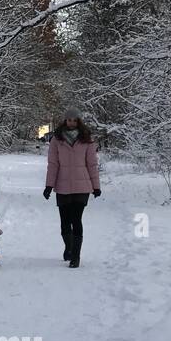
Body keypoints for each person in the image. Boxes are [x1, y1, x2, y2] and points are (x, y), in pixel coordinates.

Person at [43, 110, 101, 268]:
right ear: (65, 121)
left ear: (79, 122)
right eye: (69, 120)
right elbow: (53, 164)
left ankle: (76, 256)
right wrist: (49, 186)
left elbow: (92, 164)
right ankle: (68, 247)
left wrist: (96, 186)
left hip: (82, 187)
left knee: (76, 220)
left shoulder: (87, 140)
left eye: (74, 120)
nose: (71, 123)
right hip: (62, 186)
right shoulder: (57, 140)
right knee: (64, 222)